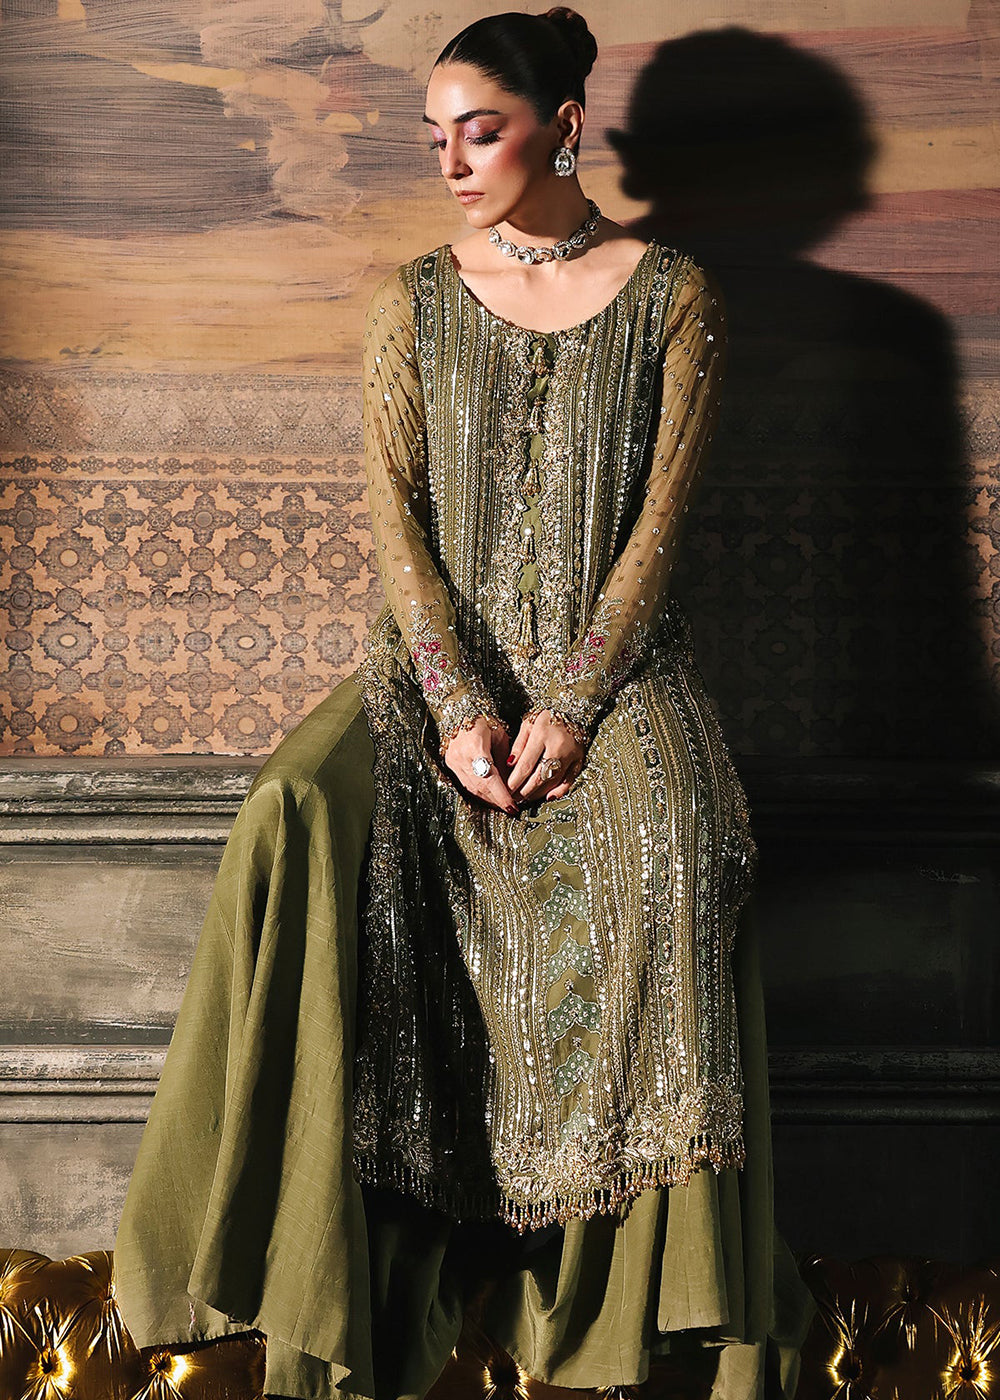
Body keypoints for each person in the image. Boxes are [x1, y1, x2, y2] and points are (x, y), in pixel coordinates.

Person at [112, 9, 818, 1399]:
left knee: (678, 840)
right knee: (294, 810)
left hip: (615, 671)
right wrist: (454, 706)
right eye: (433, 138)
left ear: (564, 124)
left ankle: (636, 1311)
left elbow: (658, 531)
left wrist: (572, 705)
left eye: (476, 132)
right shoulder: (413, 302)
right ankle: (326, 1272)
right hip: (428, 669)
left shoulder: (674, 297)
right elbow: (397, 526)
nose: (448, 162)